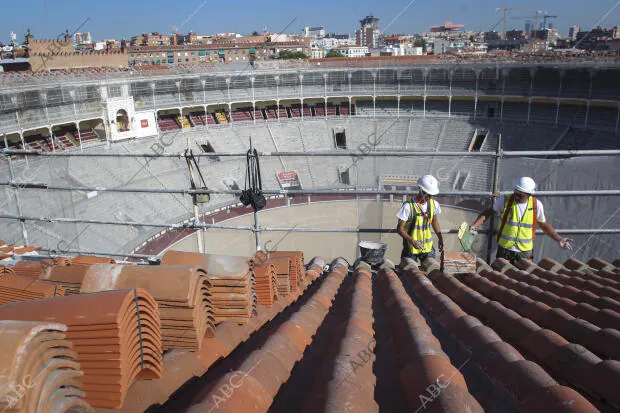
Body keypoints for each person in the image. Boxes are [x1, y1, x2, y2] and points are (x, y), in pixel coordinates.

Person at [471, 177, 573, 264]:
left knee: (522, 279)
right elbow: (488, 212)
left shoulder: (536, 205)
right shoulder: (505, 200)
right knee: (501, 277)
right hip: (505, 249)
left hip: (524, 252)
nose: (517, 196)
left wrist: (558, 239)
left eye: (521, 195)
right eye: (516, 193)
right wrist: (474, 226)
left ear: (529, 194)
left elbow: (543, 225)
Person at [396, 174, 444, 269]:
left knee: (432, 269)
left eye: (431, 195)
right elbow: (400, 229)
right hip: (410, 248)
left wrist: (440, 238)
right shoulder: (408, 207)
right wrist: (412, 241)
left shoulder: (434, 205)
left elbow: (434, 222)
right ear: (421, 190)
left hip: (427, 248)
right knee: (409, 272)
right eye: (428, 194)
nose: (429, 197)